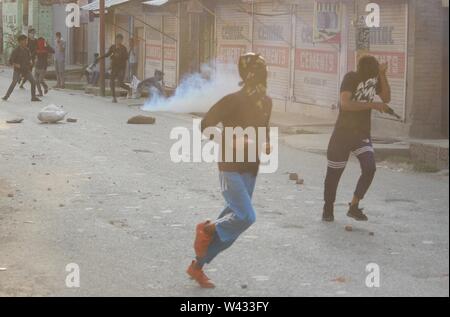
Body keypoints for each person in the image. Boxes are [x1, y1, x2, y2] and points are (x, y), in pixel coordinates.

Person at [186, 53, 273, 288]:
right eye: (260, 72)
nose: (265, 77)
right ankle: (207, 227)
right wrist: (228, 139)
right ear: (250, 75)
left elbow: (262, 131)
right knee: (246, 217)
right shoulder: (232, 100)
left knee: (232, 229)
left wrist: (265, 144)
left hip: (250, 169)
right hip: (230, 167)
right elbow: (205, 126)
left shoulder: (266, 102)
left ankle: (197, 267)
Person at [322, 55, 391, 222]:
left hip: (361, 133)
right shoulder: (350, 78)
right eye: (374, 72)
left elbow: (386, 98)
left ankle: (354, 206)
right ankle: (328, 207)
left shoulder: (375, 79)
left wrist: (383, 75)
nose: (374, 77)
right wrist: (373, 105)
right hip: (342, 134)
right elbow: (345, 104)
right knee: (334, 174)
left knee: (370, 168)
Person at [2, 34, 41, 102]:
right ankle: (6, 96)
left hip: (26, 69)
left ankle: (33, 97)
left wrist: (31, 61)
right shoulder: (16, 50)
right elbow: (10, 61)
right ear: (20, 41)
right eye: (25, 41)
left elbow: (29, 58)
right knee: (14, 82)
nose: (26, 42)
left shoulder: (27, 50)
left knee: (33, 82)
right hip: (17, 70)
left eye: (26, 41)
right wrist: (16, 65)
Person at [97, 33, 131, 103]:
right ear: (115, 40)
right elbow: (108, 54)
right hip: (114, 67)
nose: (119, 41)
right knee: (111, 82)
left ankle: (129, 88)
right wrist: (100, 57)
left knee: (120, 83)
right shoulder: (112, 47)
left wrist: (119, 56)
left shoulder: (123, 48)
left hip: (121, 68)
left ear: (122, 40)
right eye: (117, 39)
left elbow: (127, 57)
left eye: (120, 40)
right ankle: (114, 97)